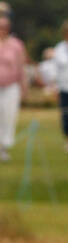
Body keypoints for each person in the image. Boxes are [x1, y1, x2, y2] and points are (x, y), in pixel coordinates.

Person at [0, 12, 27, 161]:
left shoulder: (16, 45)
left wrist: (24, 88)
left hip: (11, 86)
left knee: (8, 116)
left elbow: (21, 67)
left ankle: (4, 147)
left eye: (4, 27)